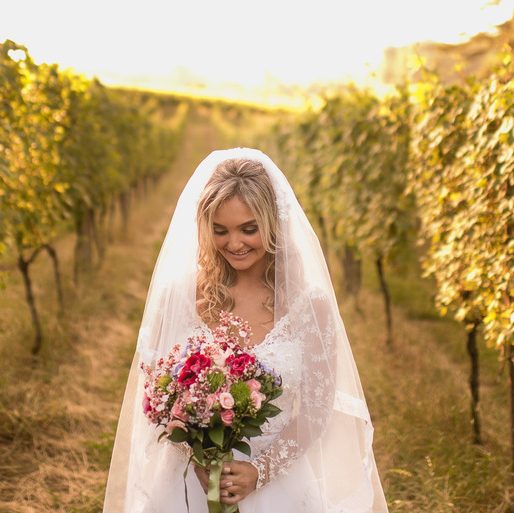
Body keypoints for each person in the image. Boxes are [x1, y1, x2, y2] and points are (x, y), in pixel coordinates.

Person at [104, 148, 388, 512]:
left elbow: (317, 409)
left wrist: (260, 471)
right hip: (190, 483)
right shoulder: (180, 294)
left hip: (279, 481)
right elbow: (158, 394)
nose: (234, 244)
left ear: (273, 223)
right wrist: (197, 457)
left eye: (248, 229)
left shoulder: (308, 303)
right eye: (220, 231)